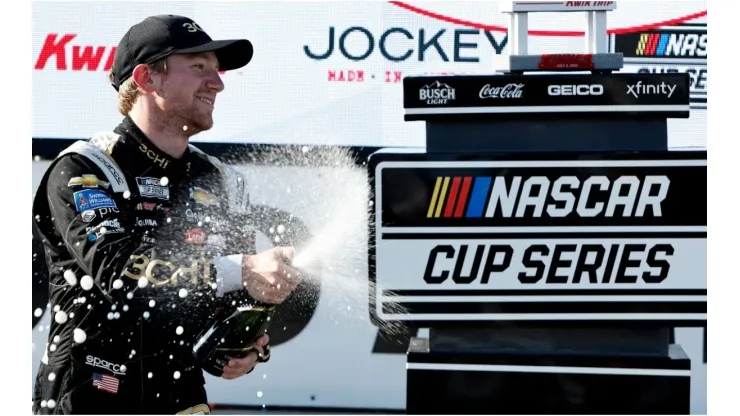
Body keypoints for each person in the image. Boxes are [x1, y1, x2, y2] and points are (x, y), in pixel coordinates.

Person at [32, 14, 303, 415]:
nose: (218, 83)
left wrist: (243, 346)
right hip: (92, 395)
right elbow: (120, 273)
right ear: (146, 79)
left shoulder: (221, 180)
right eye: (199, 68)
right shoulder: (85, 169)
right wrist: (243, 270)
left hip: (182, 399)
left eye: (216, 70)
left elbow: (222, 298)